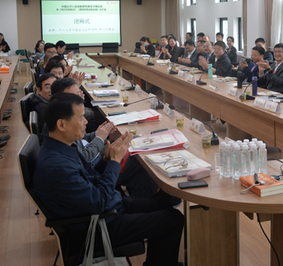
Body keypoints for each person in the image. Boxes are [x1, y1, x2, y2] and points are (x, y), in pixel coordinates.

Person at [32, 93, 184, 266]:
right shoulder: (57, 166)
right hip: (96, 225)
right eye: (81, 118)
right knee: (173, 220)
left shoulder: (61, 147)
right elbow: (100, 201)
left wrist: (106, 160)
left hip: (104, 209)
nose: (86, 122)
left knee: (164, 206)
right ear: (61, 124)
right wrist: (114, 162)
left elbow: (90, 176)